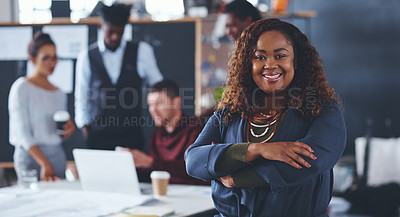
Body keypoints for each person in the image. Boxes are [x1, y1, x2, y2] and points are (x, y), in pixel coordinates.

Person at [185, 18, 346, 216]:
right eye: (260, 57)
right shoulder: (230, 111)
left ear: (296, 60)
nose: (270, 65)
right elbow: (193, 160)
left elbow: (309, 162)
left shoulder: (322, 110)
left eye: (280, 56)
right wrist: (256, 150)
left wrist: (236, 179)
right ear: (247, 63)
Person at [75, 3, 163, 150]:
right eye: (111, 32)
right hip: (98, 136)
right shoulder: (87, 56)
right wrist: (85, 127)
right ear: (100, 27)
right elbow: (82, 97)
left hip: (132, 136)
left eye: (120, 32)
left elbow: (159, 87)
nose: (115, 37)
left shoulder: (142, 51)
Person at [9, 32, 75, 181]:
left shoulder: (59, 92)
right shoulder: (21, 88)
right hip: (30, 158)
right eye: (46, 58)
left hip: (56, 156)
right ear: (32, 59)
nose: (51, 63)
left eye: (54, 58)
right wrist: (44, 163)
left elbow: (56, 133)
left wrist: (67, 132)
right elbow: (23, 134)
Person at [123, 80, 208, 185]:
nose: (153, 110)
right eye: (150, 105)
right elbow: (149, 173)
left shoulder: (197, 130)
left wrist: (151, 162)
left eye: (159, 104)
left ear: (176, 103)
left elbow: (197, 170)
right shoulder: (157, 136)